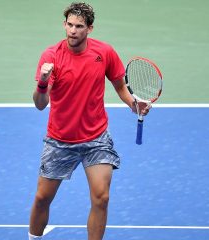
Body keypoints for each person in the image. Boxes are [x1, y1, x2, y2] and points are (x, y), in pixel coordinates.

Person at [28, 2, 150, 240]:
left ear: (90, 28)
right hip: (59, 140)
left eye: (79, 26)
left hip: (96, 138)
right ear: (64, 25)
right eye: (69, 25)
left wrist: (133, 103)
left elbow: (120, 86)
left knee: (101, 197)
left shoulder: (104, 53)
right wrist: (43, 80)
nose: (73, 31)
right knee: (42, 198)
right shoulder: (52, 56)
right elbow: (40, 104)